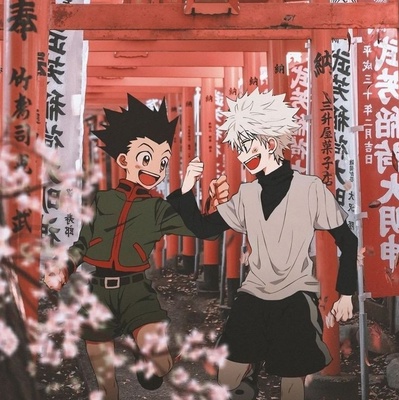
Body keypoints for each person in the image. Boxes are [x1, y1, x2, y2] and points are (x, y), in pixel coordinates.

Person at [167, 89, 358, 400]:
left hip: (296, 295)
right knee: (227, 374)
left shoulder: (310, 189)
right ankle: (249, 379)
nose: (243, 156)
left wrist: (346, 293)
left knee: (292, 379)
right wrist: (186, 189)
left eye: (247, 146)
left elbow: (347, 240)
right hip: (254, 293)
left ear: (270, 143)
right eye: (239, 148)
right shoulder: (247, 194)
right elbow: (204, 229)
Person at [43, 94, 227, 400]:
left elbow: (204, 232)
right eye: (146, 157)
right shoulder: (103, 201)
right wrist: (64, 268)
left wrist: (211, 204)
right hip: (98, 294)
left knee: (161, 364)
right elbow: (82, 243)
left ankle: (149, 359)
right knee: (105, 385)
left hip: (136, 293)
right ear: (124, 160)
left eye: (163, 161)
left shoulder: (158, 208)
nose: (156, 168)